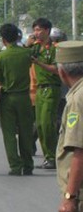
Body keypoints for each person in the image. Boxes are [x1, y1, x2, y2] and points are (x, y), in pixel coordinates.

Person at [53, 40, 83, 212]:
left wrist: (70, 197)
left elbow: (79, 152)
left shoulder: (77, 99)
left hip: (81, 192)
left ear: (62, 72)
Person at [0, 24, 34, 176]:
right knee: (26, 132)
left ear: (3, 40)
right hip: (24, 98)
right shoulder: (26, 54)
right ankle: (28, 165)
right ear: (18, 36)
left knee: (9, 134)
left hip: (7, 99)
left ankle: (15, 166)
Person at [31, 18, 61, 170]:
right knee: (41, 125)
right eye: (35, 30)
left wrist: (39, 63)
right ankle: (48, 157)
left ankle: (53, 156)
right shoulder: (35, 48)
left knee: (48, 123)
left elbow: (56, 69)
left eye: (39, 30)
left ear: (47, 30)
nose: (37, 33)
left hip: (51, 88)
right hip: (39, 89)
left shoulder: (54, 49)